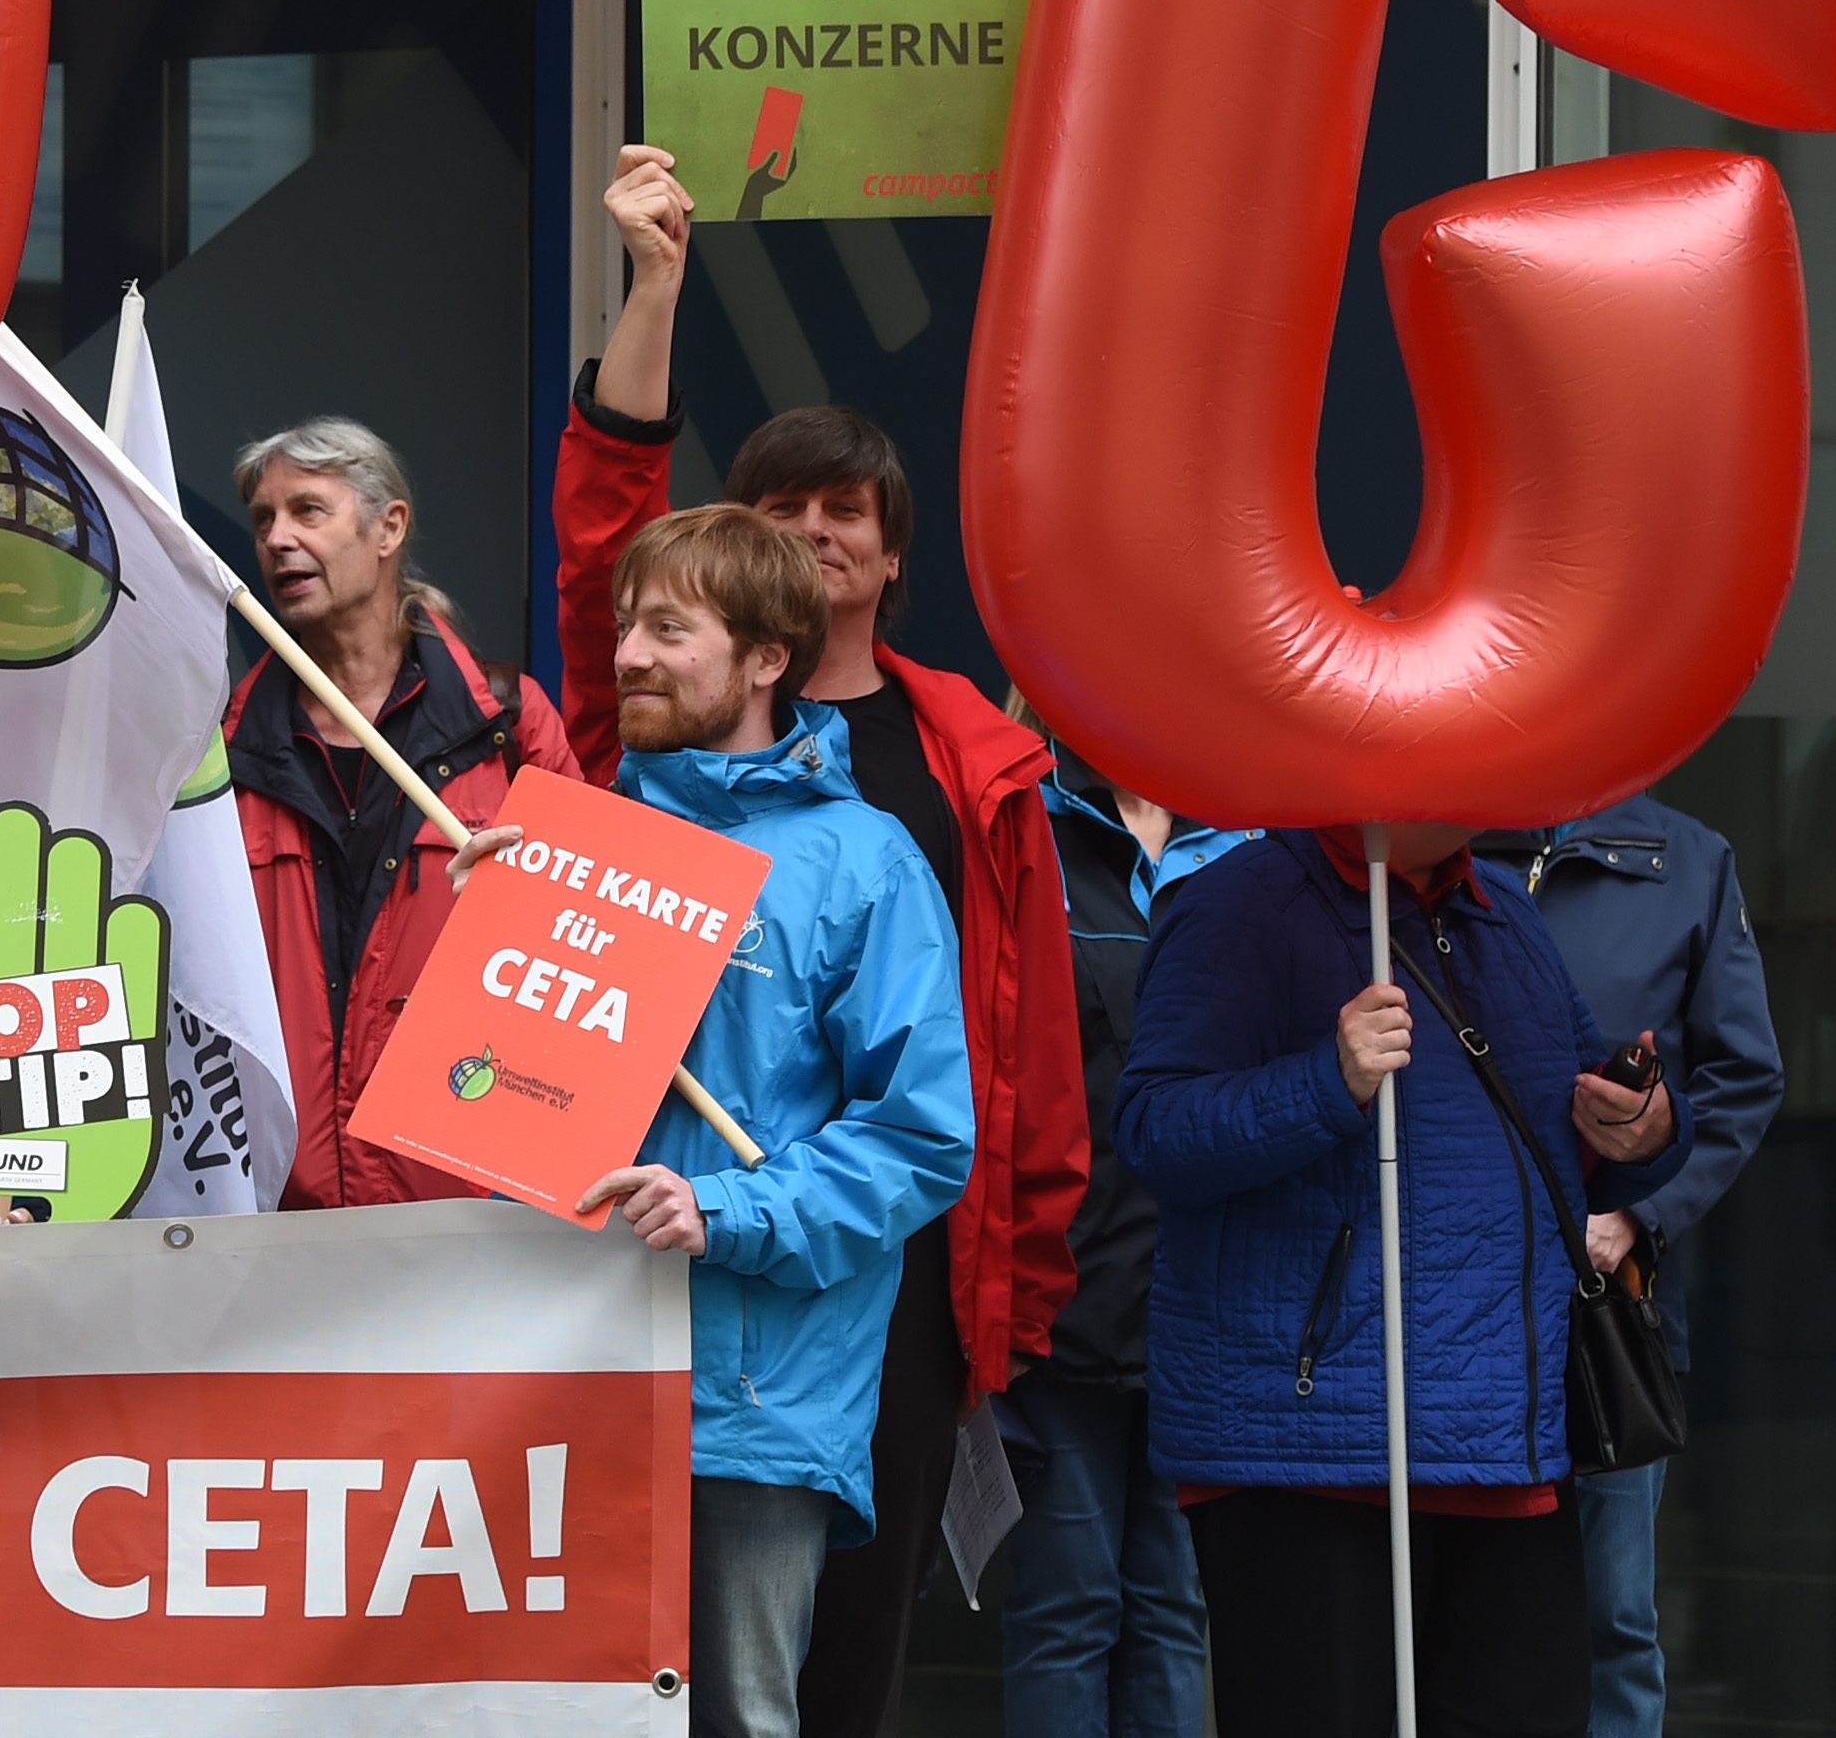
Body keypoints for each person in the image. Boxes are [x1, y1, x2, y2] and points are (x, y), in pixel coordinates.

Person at [554, 144, 1085, 1729]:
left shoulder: (949, 786)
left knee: (796, 1687)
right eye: (772, 506)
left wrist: (1019, 1289)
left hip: (838, 1318)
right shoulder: (593, 791)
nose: (804, 532)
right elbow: (607, 545)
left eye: (836, 511)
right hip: (584, 1336)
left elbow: (990, 1082)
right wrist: (653, 286)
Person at [457, 504, 972, 1738]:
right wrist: (494, 943)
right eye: (629, 623)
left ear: (764, 660)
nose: (629, 653)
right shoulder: (580, 846)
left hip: (759, 1393)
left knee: (744, 1716)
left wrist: (726, 1209)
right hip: (571, 1375)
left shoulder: (867, 862)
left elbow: (922, 1137)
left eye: (668, 629)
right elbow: (496, 1102)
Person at [1120, 823, 1687, 1738]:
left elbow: (1565, 1135)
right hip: (1310, 1450)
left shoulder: (1504, 912)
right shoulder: (1238, 902)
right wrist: (1325, 1082)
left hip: (1507, 1442)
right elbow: (1155, 1130)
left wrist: (1645, 1129)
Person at [223, 416, 583, 1208]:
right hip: (273, 1218)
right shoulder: (220, 753)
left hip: (464, 1209)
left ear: (388, 528)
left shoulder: (508, 726)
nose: (278, 538)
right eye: (262, 520)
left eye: (307, 511)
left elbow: (586, 952)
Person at [1482, 798, 1783, 1738]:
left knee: (1612, 1617)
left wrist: (1639, 1218)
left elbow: (1743, 1075)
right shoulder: (1426, 841)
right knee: (1465, 1621)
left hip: (1604, 1304)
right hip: (1448, 1302)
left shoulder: (1688, 857)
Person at [991, 743, 1250, 1738]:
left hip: (1207, 1307)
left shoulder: (1242, 841)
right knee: (1069, 1604)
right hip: (1065, 1299)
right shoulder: (1031, 833)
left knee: (1177, 1612)